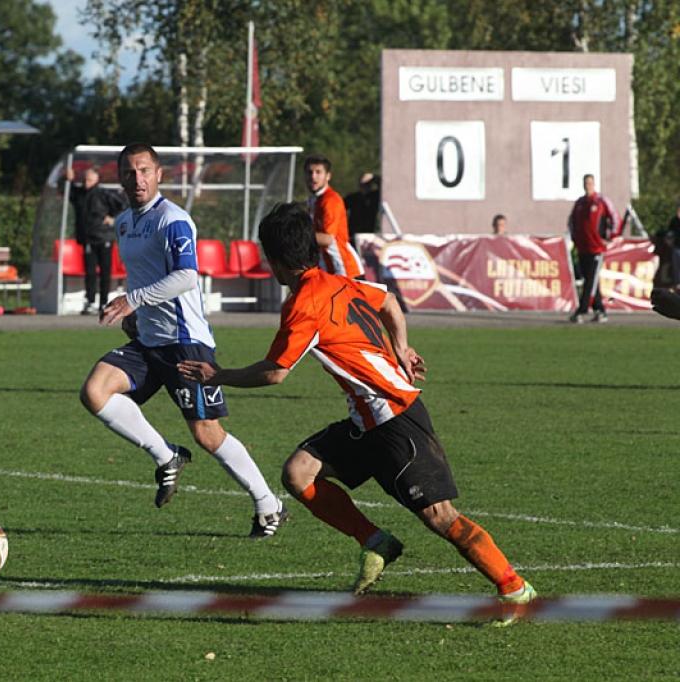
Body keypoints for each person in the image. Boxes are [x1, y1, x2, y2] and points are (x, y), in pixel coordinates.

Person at [178, 202, 536, 625]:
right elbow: (389, 303)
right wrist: (401, 347)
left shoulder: (303, 305)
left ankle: (514, 587)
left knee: (440, 517)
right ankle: (376, 541)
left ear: (275, 261)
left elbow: (275, 373)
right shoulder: (337, 281)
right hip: (365, 421)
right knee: (298, 473)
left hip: (397, 420)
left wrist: (217, 375)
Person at [79, 143, 287, 538]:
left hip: (184, 342)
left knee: (207, 434)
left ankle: (268, 505)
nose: (136, 179)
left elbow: (186, 277)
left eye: (144, 171)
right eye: (129, 172)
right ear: (120, 177)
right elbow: (143, 275)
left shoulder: (172, 220)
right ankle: (166, 455)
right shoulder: (124, 222)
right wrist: (135, 313)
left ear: (159, 175)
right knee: (95, 391)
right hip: (148, 341)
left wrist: (132, 300)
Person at [67, 165, 126, 314]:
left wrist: (114, 219)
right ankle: (90, 301)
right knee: (90, 272)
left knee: (105, 271)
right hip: (88, 238)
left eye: (90, 179)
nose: (86, 182)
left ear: (96, 179)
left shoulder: (104, 193)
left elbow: (124, 206)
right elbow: (69, 192)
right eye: (85, 179)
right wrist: (69, 179)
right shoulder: (80, 194)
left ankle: (104, 302)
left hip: (104, 237)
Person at [568, 174, 619, 324]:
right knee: (590, 280)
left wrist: (610, 237)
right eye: (586, 183)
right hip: (582, 247)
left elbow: (615, 218)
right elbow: (571, 222)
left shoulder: (601, 201)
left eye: (590, 183)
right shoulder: (580, 203)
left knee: (590, 280)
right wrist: (574, 238)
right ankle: (600, 310)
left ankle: (581, 310)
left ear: (594, 184)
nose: (588, 185)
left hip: (596, 248)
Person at [305, 155, 364, 278]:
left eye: (318, 172)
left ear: (328, 176)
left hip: (344, 268)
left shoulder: (331, 200)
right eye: (309, 172)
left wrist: (297, 236)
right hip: (327, 267)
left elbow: (327, 239)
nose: (313, 176)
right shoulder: (313, 200)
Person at [344, 172, 380, 240]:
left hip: (369, 234)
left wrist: (373, 177)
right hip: (353, 234)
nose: (365, 186)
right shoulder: (353, 197)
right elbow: (339, 209)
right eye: (363, 184)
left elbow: (385, 187)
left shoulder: (375, 197)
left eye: (367, 184)